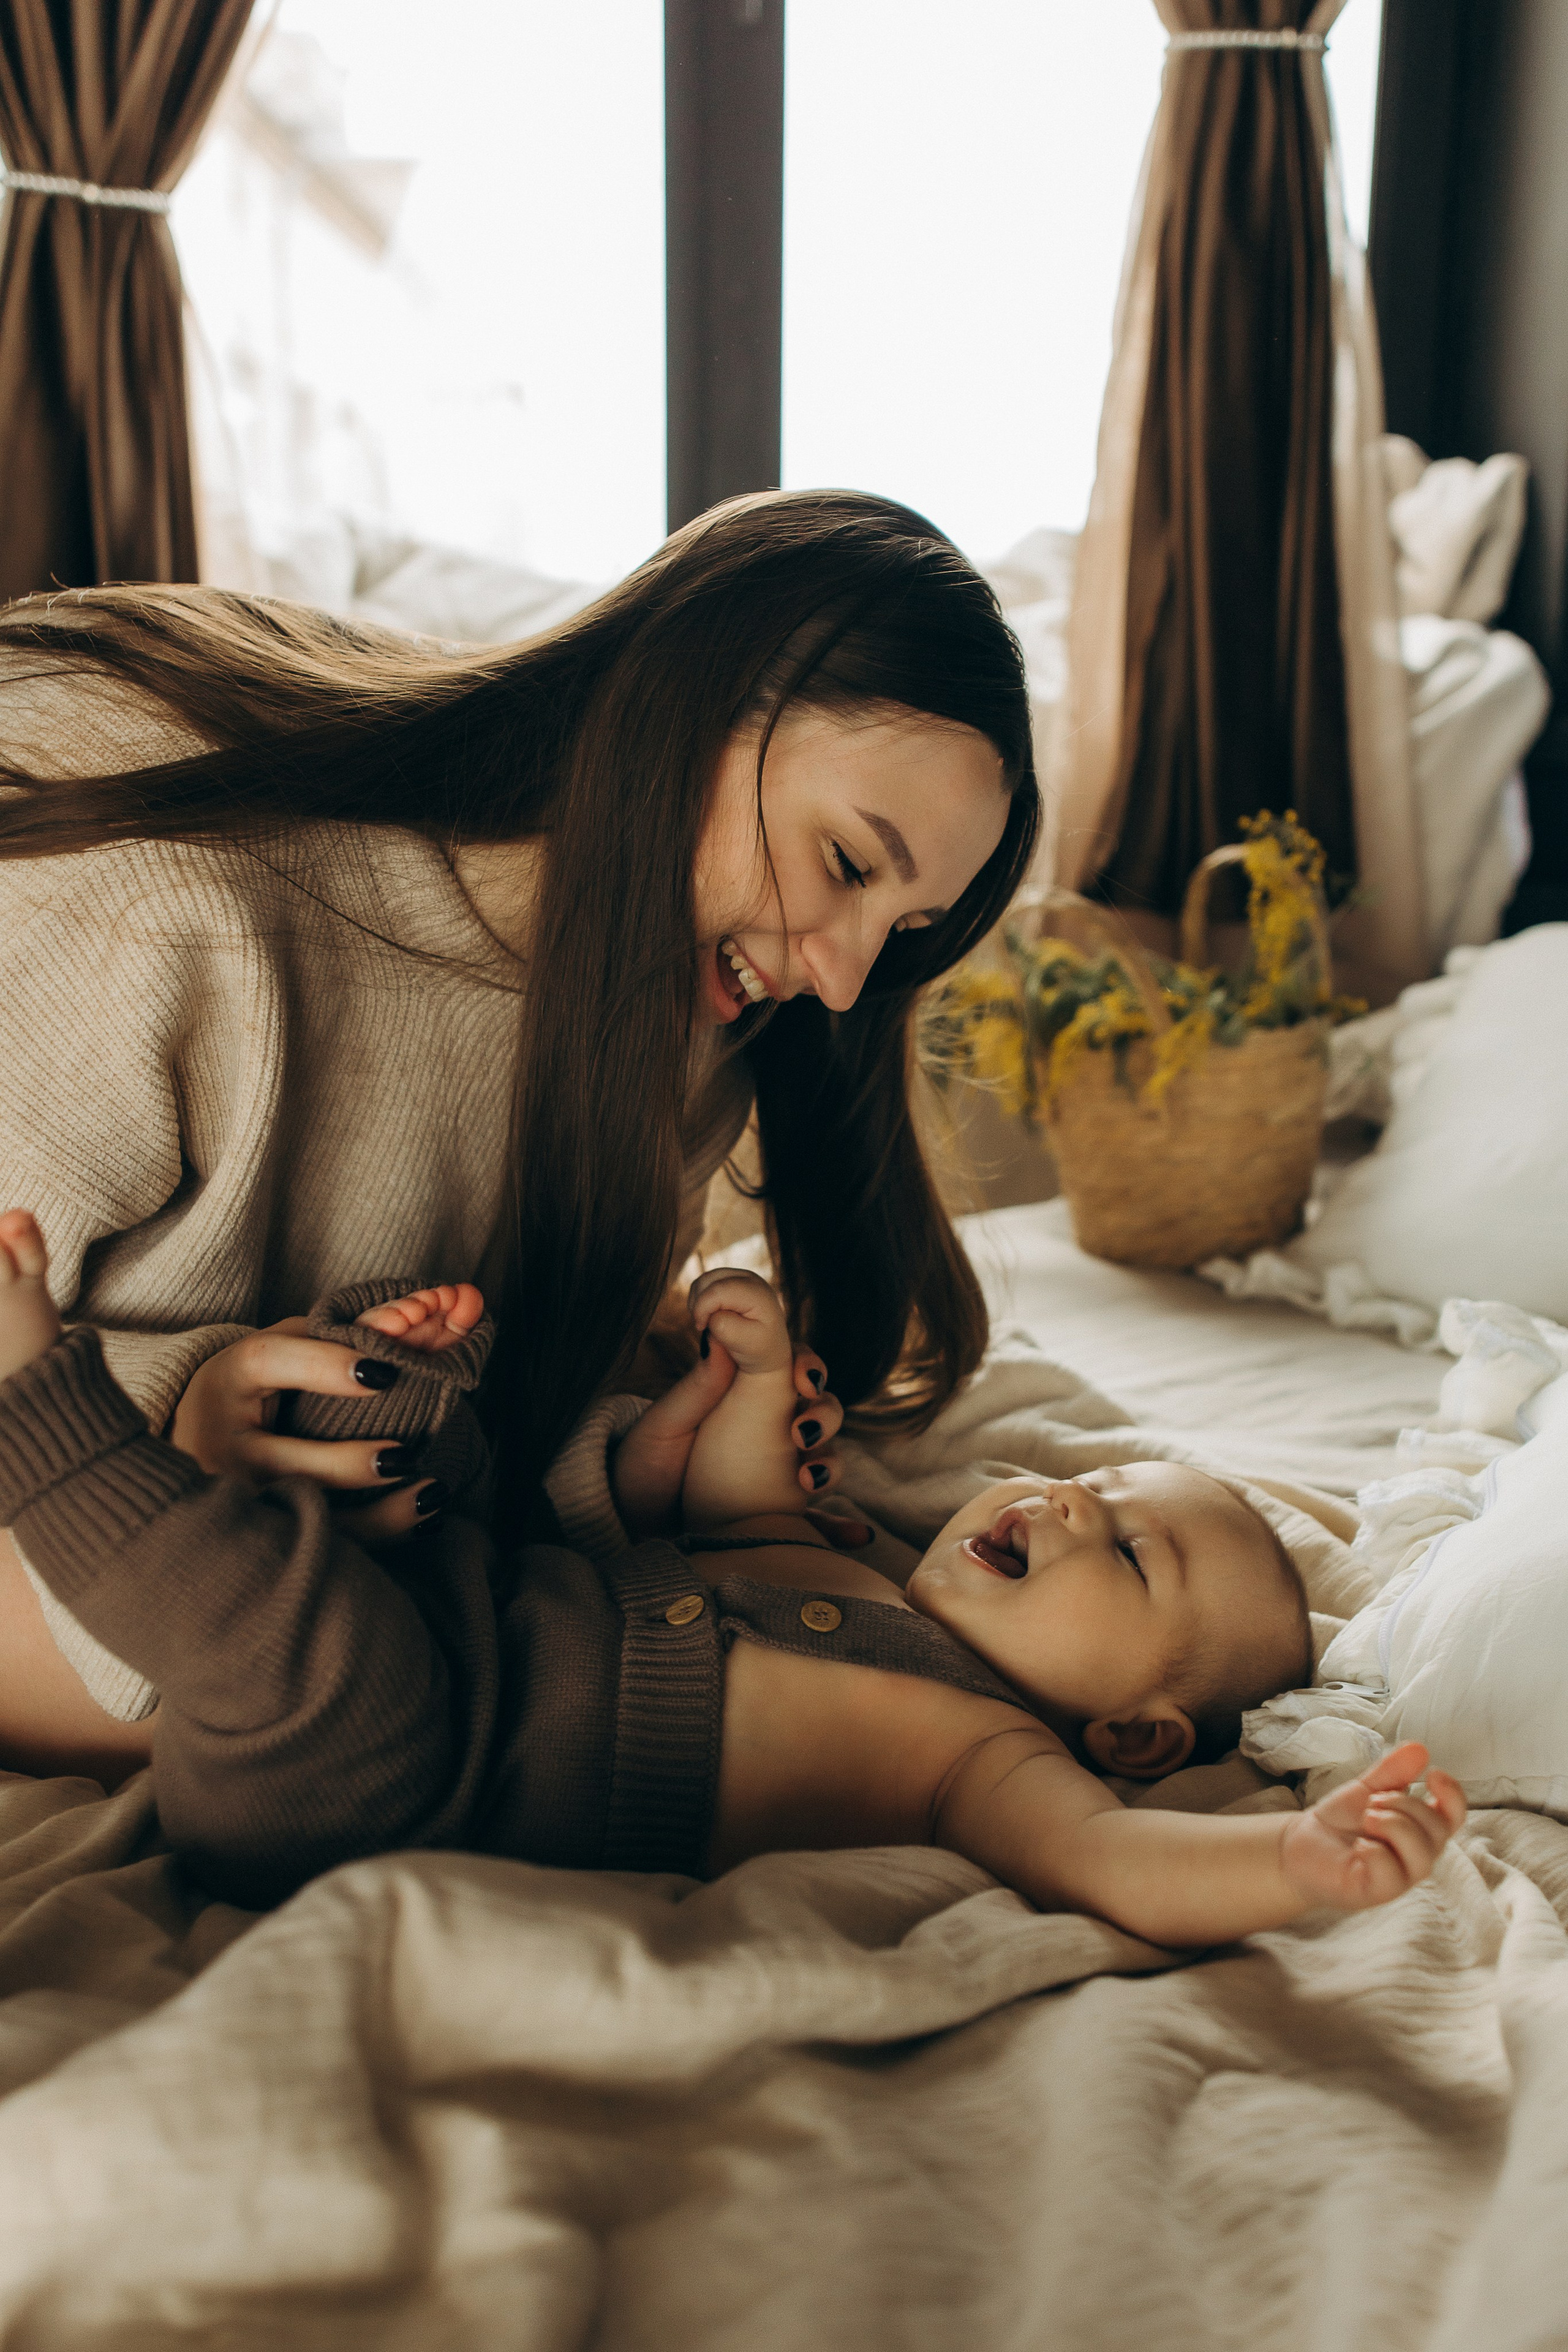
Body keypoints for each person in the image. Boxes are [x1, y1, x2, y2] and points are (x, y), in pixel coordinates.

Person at [0, 489, 1039, 1776]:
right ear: (692, 699)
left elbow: (450, 1464)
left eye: (903, 932)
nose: (840, 979)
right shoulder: (154, 902)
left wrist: (623, 1461)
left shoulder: (691, 1027)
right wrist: (176, 1434)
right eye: (842, 863)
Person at [0, 1213, 1464, 1939]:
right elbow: (728, 1507)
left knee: (283, 1636)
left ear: (1135, 1730)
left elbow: (1116, 1863)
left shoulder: (985, 1754)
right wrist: (751, 1371)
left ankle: (40, 1409)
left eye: (1128, 1550)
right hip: (461, 1608)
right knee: (407, 1450)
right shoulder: (867, 1563)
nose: (1064, 1503)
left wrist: (1292, 1865)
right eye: (1087, 1485)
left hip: (395, 1773)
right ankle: (377, 1354)